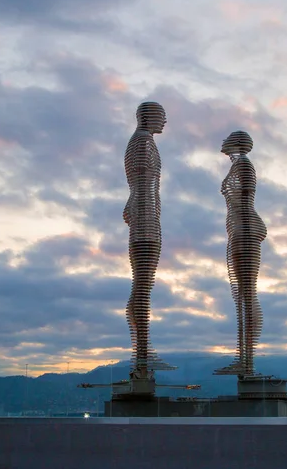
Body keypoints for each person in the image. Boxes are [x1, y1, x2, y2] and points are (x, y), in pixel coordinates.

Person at [123, 102, 171, 378]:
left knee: (142, 286)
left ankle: (143, 352)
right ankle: (142, 354)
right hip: (146, 222)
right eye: (161, 117)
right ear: (149, 117)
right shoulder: (142, 143)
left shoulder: (140, 142)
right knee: (142, 286)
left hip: (145, 219)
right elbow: (141, 184)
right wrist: (141, 214)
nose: (164, 122)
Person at [215, 131, 267, 376]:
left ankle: (247, 360)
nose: (222, 143)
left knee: (246, 295)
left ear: (235, 144)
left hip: (244, 231)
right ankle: (244, 358)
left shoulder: (244, 165)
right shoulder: (240, 165)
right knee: (242, 296)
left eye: (227, 140)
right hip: (241, 230)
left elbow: (243, 199)